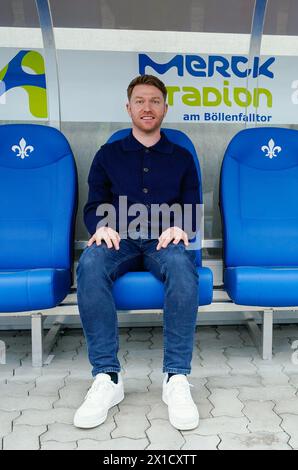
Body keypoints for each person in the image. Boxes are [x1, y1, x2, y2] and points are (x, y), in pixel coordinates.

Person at [74, 74, 201, 431]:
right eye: (141, 101)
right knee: (91, 262)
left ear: (165, 107)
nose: (148, 108)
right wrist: (102, 226)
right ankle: (107, 378)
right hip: (121, 239)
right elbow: (94, 202)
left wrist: (182, 227)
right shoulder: (108, 154)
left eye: (155, 101)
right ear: (128, 107)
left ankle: (175, 378)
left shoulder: (181, 157)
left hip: (164, 239)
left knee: (181, 264)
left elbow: (192, 203)